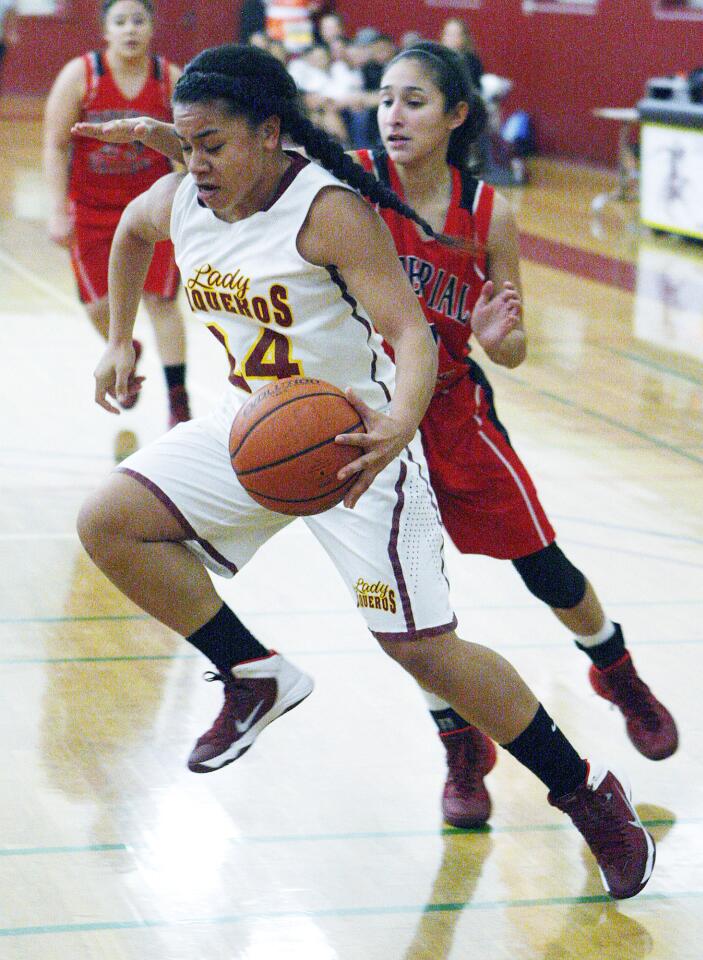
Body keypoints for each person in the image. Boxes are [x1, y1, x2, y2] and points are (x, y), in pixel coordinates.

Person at [74, 42, 655, 901]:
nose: (194, 163)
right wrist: (120, 338)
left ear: (271, 135)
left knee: (423, 650)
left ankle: (587, 793)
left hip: (353, 437)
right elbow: (128, 233)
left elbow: (413, 334)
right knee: (108, 521)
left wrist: (397, 427)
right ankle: (253, 672)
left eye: (213, 145)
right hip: (256, 425)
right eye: (185, 145)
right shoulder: (183, 197)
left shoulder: (330, 213)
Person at [352, 41, 678, 826]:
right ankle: (461, 743)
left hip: (457, 413)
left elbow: (515, 345)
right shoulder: (352, 180)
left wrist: (500, 335)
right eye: (386, 98)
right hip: (368, 415)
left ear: (457, 114)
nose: (393, 114)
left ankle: (614, 668)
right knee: (412, 607)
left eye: (414, 101)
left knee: (544, 563)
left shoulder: (489, 209)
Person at [43, 0, 191, 430]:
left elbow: (190, 141)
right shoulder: (82, 75)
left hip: (152, 206)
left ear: (151, 27)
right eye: (120, 21)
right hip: (92, 208)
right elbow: (56, 145)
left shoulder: (169, 77)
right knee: (97, 305)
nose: (130, 29)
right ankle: (123, 345)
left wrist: (190, 198)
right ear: (104, 30)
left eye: (139, 20)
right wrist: (57, 210)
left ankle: (177, 401)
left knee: (162, 301)